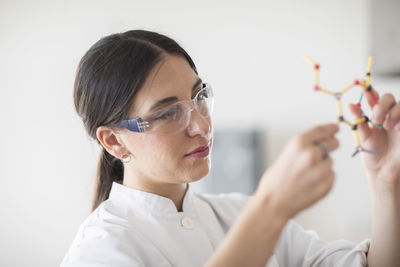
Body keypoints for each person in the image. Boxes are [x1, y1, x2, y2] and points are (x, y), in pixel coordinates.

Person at [61, 30, 400, 267]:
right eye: (166, 113)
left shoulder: (236, 213)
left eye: (199, 98)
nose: (201, 126)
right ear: (114, 141)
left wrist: (386, 181)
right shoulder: (100, 250)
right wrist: (270, 209)